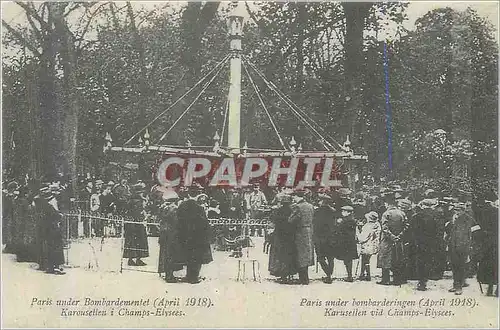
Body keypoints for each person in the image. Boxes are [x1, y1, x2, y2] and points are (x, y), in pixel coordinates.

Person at [177, 186, 213, 284]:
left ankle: (188, 276)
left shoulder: (182, 205)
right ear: (198, 195)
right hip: (197, 238)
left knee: (188, 256)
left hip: (185, 236)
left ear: (188, 194)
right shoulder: (199, 208)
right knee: (197, 258)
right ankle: (194, 277)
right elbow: (204, 224)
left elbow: (178, 221)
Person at [445, 202, 480, 295]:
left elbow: (476, 232)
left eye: (459, 210)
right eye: (455, 210)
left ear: (463, 210)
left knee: (461, 266)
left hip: (464, 246)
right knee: (454, 266)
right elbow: (448, 231)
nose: (457, 212)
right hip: (453, 246)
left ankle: (459, 287)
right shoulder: (453, 219)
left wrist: (472, 244)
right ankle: (455, 284)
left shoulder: (469, 219)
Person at [377, 191, 409, 286]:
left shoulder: (386, 214)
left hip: (387, 240)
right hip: (399, 240)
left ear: (387, 203)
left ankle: (385, 279)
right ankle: (397, 280)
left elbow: (385, 228)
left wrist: (392, 237)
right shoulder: (402, 213)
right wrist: (399, 236)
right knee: (397, 259)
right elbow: (406, 226)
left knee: (385, 259)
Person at [268, 194, 297, 283]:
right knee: (289, 255)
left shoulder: (278, 211)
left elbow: (273, 222)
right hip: (290, 236)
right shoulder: (292, 211)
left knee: (280, 255)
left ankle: (282, 275)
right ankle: (289, 273)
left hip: (279, 236)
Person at [38, 184, 66, 275]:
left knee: (49, 246)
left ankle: (50, 266)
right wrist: (60, 215)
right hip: (53, 227)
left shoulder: (41, 201)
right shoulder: (51, 203)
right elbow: (56, 214)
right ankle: (55, 266)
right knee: (55, 246)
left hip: (46, 227)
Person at [412, 198, 440, 291]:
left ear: (422, 205)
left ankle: (421, 282)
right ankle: (425, 280)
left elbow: (413, 231)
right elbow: (438, 231)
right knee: (428, 261)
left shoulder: (416, 216)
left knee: (420, 261)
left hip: (419, 243)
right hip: (431, 243)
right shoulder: (435, 216)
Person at [288, 190, 314, 285]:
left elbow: (291, 220)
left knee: (300, 255)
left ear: (297, 196)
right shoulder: (310, 206)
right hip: (309, 231)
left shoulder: (297, 207)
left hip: (300, 232)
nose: (293, 198)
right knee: (306, 255)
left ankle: (303, 279)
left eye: (293, 196)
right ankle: (305, 278)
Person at [158, 190, 184, 283]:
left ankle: (166, 273)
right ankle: (170, 275)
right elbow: (176, 221)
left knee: (164, 253)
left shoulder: (163, 207)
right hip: (172, 233)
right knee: (171, 254)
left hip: (164, 233)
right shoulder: (174, 208)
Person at [123, 183, 149, 266]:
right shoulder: (138, 201)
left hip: (130, 223)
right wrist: (143, 217)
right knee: (139, 241)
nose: (142, 193)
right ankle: (138, 259)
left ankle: (131, 259)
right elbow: (137, 213)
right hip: (136, 224)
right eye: (141, 192)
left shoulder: (130, 200)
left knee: (132, 241)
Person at [477, 199, 498, 296]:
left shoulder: (484, 212)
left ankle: (490, 287)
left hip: (488, 243)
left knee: (489, 265)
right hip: (495, 243)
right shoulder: (494, 212)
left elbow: (481, 228)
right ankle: (497, 289)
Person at [313, 194, 337, 283]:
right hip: (331, 238)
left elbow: (316, 225)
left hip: (320, 238)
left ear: (322, 201)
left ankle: (328, 274)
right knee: (330, 257)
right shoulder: (333, 211)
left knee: (320, 258)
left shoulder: (317, 211)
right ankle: (329, 274)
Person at [332, 205, 359, 282]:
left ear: (348, 212)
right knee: (348, 260)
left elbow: (341, 230)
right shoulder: (350, 219)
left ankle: (350, 276)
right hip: (350, 242)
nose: (342, 212)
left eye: (344, 211)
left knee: (347, 260)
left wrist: (338, 223)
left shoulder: (347, 220)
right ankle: (349, 276)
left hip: (346, 242)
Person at [357, 211, 381, 281]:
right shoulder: (377, 225)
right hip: (374, 244)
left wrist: (358, 232)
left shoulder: (367, 226)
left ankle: (366, 275)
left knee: (364, 259)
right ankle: (364, 274)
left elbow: (363, 238)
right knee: (367, 260)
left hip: (367, 245)